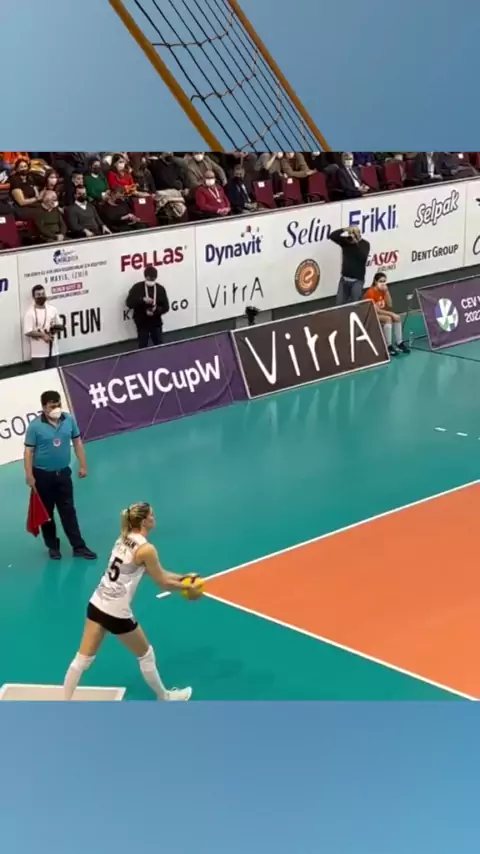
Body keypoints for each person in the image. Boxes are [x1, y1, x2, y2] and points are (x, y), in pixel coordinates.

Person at [63, 502, 204, 701]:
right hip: (117, 613)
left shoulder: (123, 538)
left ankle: (64, 704)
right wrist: (187, 588)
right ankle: (164, 697)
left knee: (82, 660)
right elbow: (162, 582)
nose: (155, 518)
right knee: (146, 654)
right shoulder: (147, 549)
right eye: (152, 515)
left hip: (97, 604)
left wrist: (182, 578)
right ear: (144, 521)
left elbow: (155, 572)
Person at [24, 390, 97, 561]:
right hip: (42, 476)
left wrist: (83, 465)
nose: (56, 409)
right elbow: (28, 452)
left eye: (58, 405)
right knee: (47, 514)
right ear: (44, 407)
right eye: (52, 406)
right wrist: (29, 475)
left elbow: (77, 442)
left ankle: (78, 546)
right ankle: (53, 547)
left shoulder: (69, 420)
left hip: (63, 474)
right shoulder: (35, 427)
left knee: (68, 511)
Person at [364, 272, 410, 356]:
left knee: (397, 318)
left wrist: (387, 292)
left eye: (384, 281)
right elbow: (377, 310)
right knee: (388, 318)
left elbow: (390, 304)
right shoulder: (370, 292)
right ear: (375, 282)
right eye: (380, 281)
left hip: (380, 314)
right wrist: (391, 314)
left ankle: (399, 343)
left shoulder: (383, 291)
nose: (383, 283)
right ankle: (388, 346)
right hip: (370, 315)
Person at [126, 265, 169, 348]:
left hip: (156, 321)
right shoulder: (137, 288)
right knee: (143, 345)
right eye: (149, 279)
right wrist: (142, 300)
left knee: (159, 344)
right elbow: (129, 303)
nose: (151, 281)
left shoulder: (160, 289)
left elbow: (166, 307)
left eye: (153, 279)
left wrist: (156, 309)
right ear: (145, 277)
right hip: (142, 321)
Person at [23, 284, 63, 371]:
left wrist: (53, 331)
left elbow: (59, 325)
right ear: (34, 297)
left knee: (54, 374)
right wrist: (43, 335)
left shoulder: (52, 309)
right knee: (40, 376)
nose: (41, 296)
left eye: (43, 294)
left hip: (53, 351)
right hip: (38, 354)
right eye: (38, 295)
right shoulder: (30, 313)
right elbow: (28, 331)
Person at [329, 226, 370, 305]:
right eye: (350, 233)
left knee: (355, 303)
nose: (351, 235)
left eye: (353, 234)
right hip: (344, 279)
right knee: (339, 304)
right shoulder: (346, 242)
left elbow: (363, 257)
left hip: (357, 280)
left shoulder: (365, 244)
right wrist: (344, 229)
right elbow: (332, 236)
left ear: (359, 234)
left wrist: (356, 243)